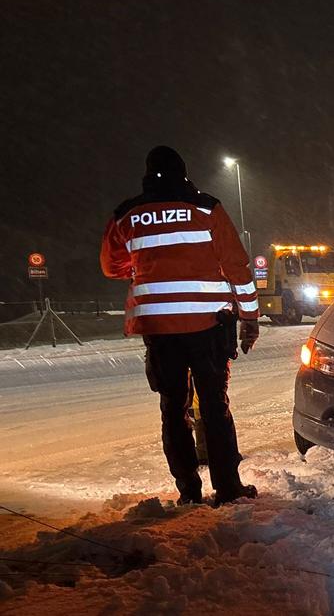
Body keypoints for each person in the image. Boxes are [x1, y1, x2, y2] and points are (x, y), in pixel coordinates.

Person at [100, 146, 260, 506]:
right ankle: (228, 488)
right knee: (215, 407)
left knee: (173, 407)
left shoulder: (127, 214)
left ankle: (188, 490)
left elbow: (111, 267)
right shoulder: (206, 208)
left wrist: (146, 264)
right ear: (184, 172)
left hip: (158, 329)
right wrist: (250, 319)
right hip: (207, 325)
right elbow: (237, 265)